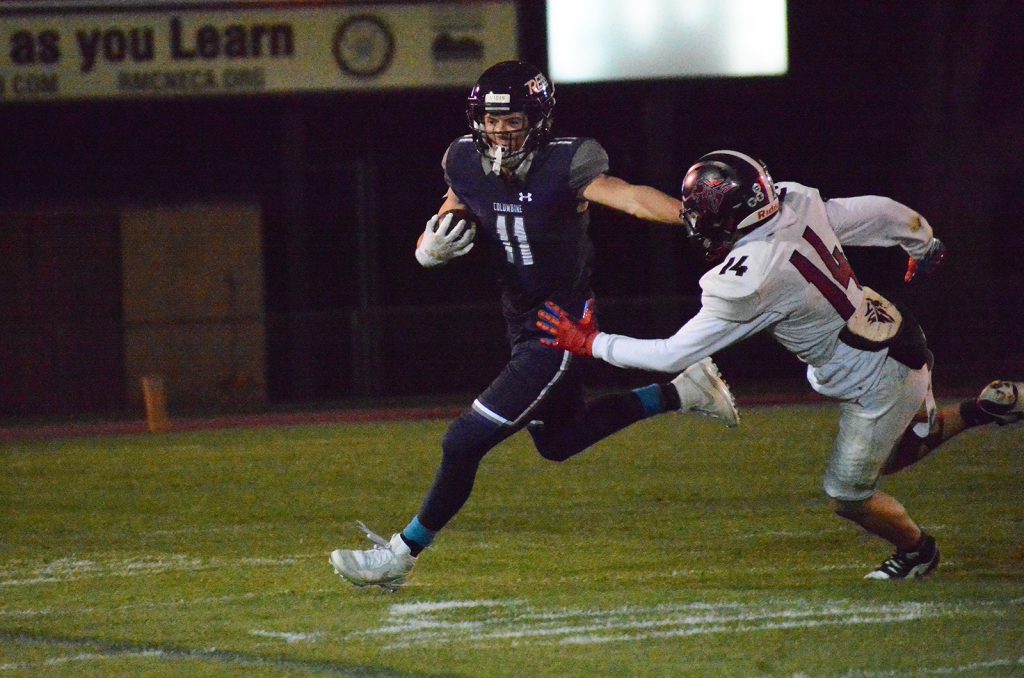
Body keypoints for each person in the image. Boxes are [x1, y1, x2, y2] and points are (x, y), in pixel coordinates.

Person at [328, 61, 739, 590]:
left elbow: (630, 197)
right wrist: (427, 247)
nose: (500, 130)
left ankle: (400, 556)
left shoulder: (567, 162)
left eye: (513, 119)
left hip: (558, 325)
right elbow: (456, 205)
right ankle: (682, 393)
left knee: (463, 442)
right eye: (492, 120)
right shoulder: (463, 159)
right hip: (520, 318)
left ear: (538, 118)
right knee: (559, 441)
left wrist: (694, 218)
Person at [537, 149, 1022, 580]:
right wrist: (925, 244)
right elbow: (879, 212)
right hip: (894, 333)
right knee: (902, 449)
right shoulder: (795, 203)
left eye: (702, 213)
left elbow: (676, 354)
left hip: (876, 378)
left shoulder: (752, 279)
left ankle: (918, 551)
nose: (696, 222)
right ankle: (985, 410)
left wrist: (594, 343)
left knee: (849, 494)